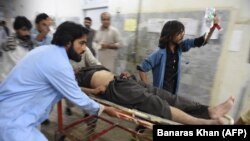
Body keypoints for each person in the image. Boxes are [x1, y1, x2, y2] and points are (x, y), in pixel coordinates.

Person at [0, 21, 118, 141]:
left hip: (12, 112)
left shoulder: (44, 51)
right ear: (68, 42)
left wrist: (92, 90)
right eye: (81, 43)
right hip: (14, 121)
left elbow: (68, 88)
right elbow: (76, 96)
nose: (84, 49)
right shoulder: (59, 63)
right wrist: (104, 109)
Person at [75, 65, 235, 125]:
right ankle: (202, 123)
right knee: (155, 102)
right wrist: (94, 91)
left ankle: (209, 111)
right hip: (112, 89)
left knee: (166, 95)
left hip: (122, 81)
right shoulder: (72, 78)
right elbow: (74, 91)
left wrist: (125, 74)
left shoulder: (88, 66)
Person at [137, 16, 220, 95]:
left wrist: (212, 28)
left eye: (182, 32)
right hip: (160, 95)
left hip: (173, 94)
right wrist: (148, 90)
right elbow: (142, 68)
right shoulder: (159, 53)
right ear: (170, 34)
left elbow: (201, 41)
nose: (182, 35)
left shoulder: (180, 48)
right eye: (179, 33)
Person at [65, 47, 101, 115]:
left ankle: (87, 113)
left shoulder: (84, 49)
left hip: (83, 78)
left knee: (86, 99)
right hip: (70, 82)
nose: (83, 46)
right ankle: (68, 107)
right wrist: (92, 91)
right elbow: (67, 84)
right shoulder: (62, 54)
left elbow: (94, 63)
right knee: (70, 99)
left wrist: (102, 69)